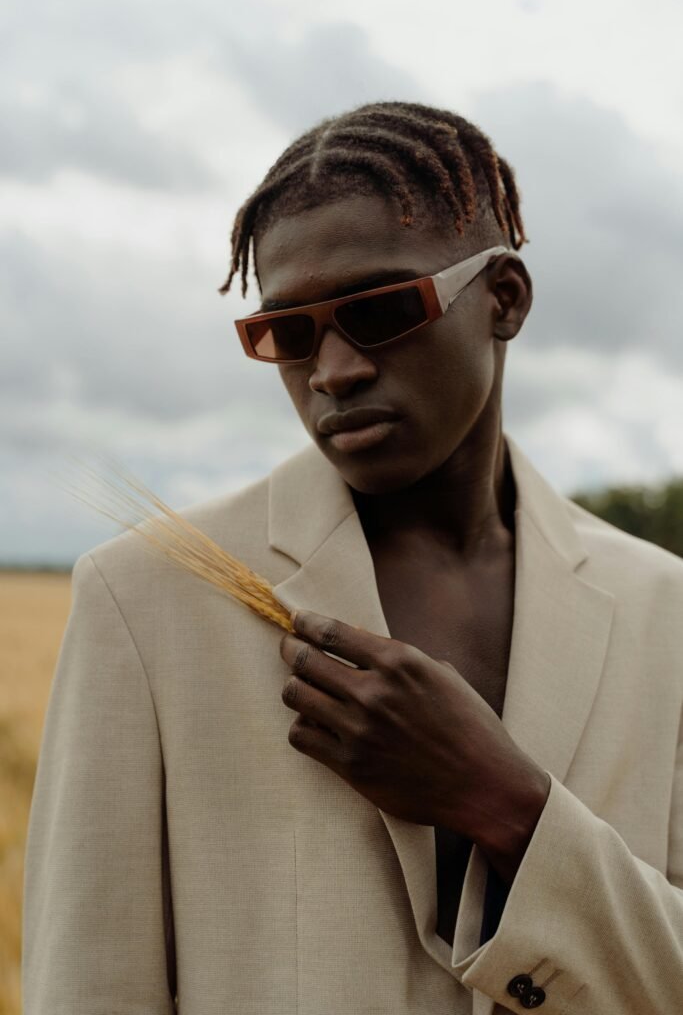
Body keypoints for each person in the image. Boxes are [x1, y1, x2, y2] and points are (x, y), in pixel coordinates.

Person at [22, 101, 683, 1014]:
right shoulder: (145, 599)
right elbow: (90, 985)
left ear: (503, 299)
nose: (331, 370)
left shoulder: (664, 610)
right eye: (287, 333)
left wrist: (508, 806)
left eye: (377, 312)